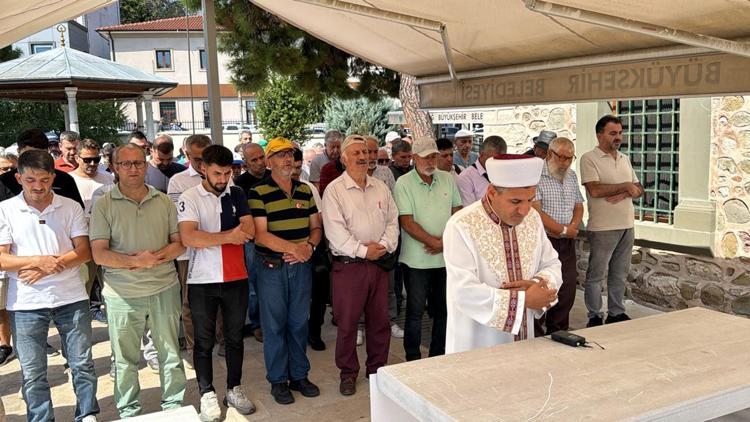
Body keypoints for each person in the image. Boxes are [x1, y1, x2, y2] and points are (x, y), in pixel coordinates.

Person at [0, 150, 99, 422]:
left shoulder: (70, 207)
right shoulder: (6, 210)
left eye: (44, 179)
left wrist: (46, 266)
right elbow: (1, 258)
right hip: (26, 303)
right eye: (30, 179)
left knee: (82, 364)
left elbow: (85, 252)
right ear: (19, 178)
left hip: (71, 297)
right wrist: (38, 261)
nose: (38, 186)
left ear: (52, 177)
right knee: (33, 372)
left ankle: (87, 414)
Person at [90, 144, 187, 418]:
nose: (133, 169)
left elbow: (179, 244)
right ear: (115, 168)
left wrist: (152, 259)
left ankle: (173, 408)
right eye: (126, 164)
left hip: (164, 288)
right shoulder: (104, 205)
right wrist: (137, 262)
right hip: (122, 295)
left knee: (170, 355)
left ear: (146, 165)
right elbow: (99, 253)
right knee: (125, 360)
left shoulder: (164, 201)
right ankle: (129, 411)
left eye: (138, 163)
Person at [443, 154, 562, 353]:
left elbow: (552, 263)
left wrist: (536, 286)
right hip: (477, 341)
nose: (524, 210)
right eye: (515, 201)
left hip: (525, 338)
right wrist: (523, 300)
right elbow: (463, 291)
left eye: (530, 200)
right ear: (491, 193)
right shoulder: (461, 225)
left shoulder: (533, 218)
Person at [177, 145, 256, 419]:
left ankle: (234, 388)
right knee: (203, 341)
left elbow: (250, 229)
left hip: (236, 276)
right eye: (217, 173)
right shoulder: (189, 197)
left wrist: (215, 236)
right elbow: (189, 237)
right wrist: (228, 237)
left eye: (227, 173)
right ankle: (206, 393)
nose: (223, 179)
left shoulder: (237, 193)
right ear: (203, 169)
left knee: (235, 338)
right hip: (202, 280)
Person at [322, 135, 399, 396]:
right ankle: (347, 373)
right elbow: (335, 232)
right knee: (347, 324)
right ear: (344, 158)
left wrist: (384, 246)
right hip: (349, 267)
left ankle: (377, 370)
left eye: (365, 152)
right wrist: (364, 251)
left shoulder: (381, 187)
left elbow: (392, 221)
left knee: (381, 322)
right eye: (356, 153)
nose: (363, 157)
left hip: (378, 264)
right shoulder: (334, 190)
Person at [248, 137, 322, 405]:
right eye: (280, 155)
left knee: (299, 323)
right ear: (268, 162)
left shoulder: (305, 190)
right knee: (274, 326)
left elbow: (316, 227)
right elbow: (260, 235)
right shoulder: (258, 192)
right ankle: (278, 380)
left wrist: (310, 247)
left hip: (301, 266)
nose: (287, 159)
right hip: (272, 268)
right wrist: (295, 249)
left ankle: (299, 375)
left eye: (290, 153)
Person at [393, 136, 462, 361]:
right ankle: (412, 358)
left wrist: (444, 243)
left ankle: (438, 356)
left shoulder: (447, 179)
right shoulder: (404, 183)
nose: (431, 161)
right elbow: (407, 221)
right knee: (414, 313)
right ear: (414, 158)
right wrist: (435, 243)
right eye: (426, 157)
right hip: (416, 262)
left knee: (443, 310)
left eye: (434, 156)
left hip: (444, 259)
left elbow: (457, 212)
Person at [167, 134, 226, 365]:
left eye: (206, 157)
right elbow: (179, 221)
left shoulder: (223, 178)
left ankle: (222, 340)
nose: (202, 163)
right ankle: (194, 346)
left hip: (219, 249)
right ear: (187, 155)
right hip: (188, 253)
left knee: (221, 298)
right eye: (197, 158)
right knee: (190, 303)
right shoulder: (178, 181)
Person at [580, 115, 643, 327]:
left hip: (627, 225)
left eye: (620, 133)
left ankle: (616, 312)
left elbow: (639, 188)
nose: (618, 137)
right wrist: (626, 186)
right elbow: (595, 189)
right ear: (600, 135)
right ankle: (594, 316)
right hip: (603, 228)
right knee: (596, 275)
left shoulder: (624, 158)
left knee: (619, 273)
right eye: (612, 133)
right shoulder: (589, 158)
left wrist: (627, 190)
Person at [532, 137, 584, 335]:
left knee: (568, 287)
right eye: (561, 158)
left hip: (567, 241)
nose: (565, 163)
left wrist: (572, 226)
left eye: (570, 159)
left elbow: (578, 205)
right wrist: (562, 230)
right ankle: (536, 334)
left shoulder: (571, 176)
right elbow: (536, 211)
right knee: (543, 284)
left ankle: (559, 330)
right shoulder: (537, 176)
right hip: (545, 240)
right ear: (549, 154)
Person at [70, 139, 115, 324]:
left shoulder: (108, 179)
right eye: (87, 160)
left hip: (108, 243)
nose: (92, 164)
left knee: (112, 290)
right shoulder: (69, 180)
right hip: (82, 244)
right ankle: (80, 333)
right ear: (77, 157)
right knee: (81, 291)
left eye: (96, 159)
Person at [365, 136, 402, 338]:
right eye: (366, 152)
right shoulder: (349, 178)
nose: (370, 157)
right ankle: (360, 327)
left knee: (389, 285)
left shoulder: (385, 173)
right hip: (362, 245)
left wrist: (387, 242)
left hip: (385, 242)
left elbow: (393, 208)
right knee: (361, 291)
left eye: (373, 152)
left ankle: (390, 321)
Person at [291, 148, 328, 352]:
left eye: (298, 167)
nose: (295, 172)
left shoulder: (308, 188)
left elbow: (319, 219)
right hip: (288, 251)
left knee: (318, 294)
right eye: (292, 167)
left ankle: (315, 331)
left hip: (312, 246)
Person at [0, 128, 84, 209]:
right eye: (29, 154)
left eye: (45, 180)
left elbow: (76, 210)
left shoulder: (64, 180)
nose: (34, 159)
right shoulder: (4, 182)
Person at [456, 135, 507, 206]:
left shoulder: (505, 173)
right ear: (481, 155)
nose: (496, 163)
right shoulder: (465, 178)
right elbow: (470, 210)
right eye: (492, 159)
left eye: (500, 159)